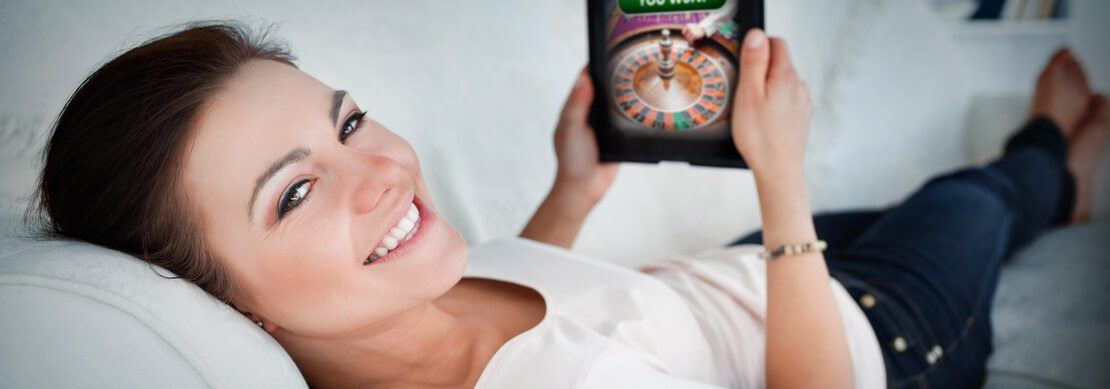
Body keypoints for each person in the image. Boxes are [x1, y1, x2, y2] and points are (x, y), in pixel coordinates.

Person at [31, 21, 1105, 388]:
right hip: (870, 333)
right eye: (298, 190)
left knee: (919, 200)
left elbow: (522, 307)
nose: (385, 171)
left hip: (734, 277)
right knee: (979, 193)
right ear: (219, 301)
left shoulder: (403, 309)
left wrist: (574, 190)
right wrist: (784, 176)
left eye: (348, 122)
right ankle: (1050, 151)